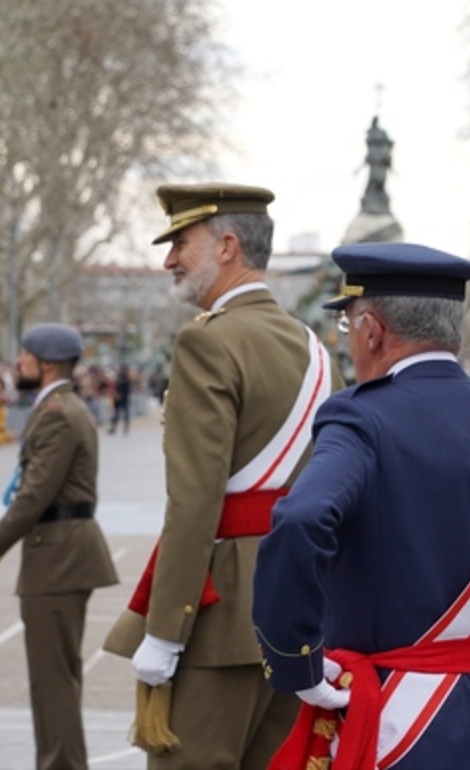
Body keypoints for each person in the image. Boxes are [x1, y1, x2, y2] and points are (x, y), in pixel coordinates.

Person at [252, 242, 470, 770]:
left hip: (390, 724)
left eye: (349, 329)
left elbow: (300, 518)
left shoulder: (360, 422)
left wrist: (299, 666)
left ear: (372, 331)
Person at [102, 183, 339, 769]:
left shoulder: (208, 342)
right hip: (300, 606)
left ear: (227, 245)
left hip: (220, 615)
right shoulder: (313, 348)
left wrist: (166, 628)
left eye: (181, 242)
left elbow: (194, 501)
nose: (169, 260)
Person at [0, 322, 119, 770]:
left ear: (46, 362)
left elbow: (35, 495)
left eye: (24, 355)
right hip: (61, 553)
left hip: (58, 556)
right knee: (56, 681)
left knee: (53, 683)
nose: (18, 362)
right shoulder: (61, 406)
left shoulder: (57, 413)